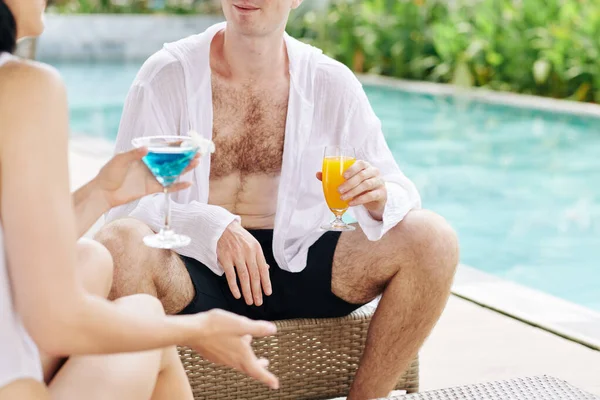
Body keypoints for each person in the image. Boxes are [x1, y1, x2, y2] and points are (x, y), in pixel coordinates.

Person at [97, 0, 460, 398]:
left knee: (432, 239)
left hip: (300, 259)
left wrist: (377, 196)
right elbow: (126, 201)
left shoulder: (330, 82)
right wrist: (209, 226)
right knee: (120, 244)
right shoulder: (168, 74)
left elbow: (398, 189)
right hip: (194, 268)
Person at [0, 1, 280, 399]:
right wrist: (200, 329)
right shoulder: (21, 86)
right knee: (146, 319)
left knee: (93, 259)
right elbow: (55, 320)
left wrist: (101, 192)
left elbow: (14, 250)